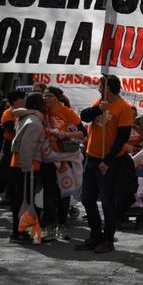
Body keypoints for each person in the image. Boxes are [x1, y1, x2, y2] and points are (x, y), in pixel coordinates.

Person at [76, 75, 134, 253]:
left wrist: (107, 161)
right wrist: (97, 110)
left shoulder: (124, 108)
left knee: (108, 202)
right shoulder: (100, 102)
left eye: (101, 86)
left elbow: (123, 137)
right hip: (91, 157)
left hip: (108, 161)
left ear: (108, 88)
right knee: (87, 198)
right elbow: (84, 116)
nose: (99, 89)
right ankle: (95, 234)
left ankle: (108, 239)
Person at [40, 86, 86, 241]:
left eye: (50, 96)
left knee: (64, 193)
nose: (46, 98)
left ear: (58, 98)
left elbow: (83, 133)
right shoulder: (41, 111)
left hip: (65, 158)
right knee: (49, 193)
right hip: (47, 158)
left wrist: (64, 134)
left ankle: (62, 225)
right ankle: (49, 228)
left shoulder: (67, 111)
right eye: (45, 96)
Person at [8, 93, 47, 243]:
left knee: (21, 198)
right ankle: (18, 231)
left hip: (20, 164)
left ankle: (19, 230)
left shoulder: (26, 118)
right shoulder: (34, 122)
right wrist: (26, 167)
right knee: (24, 199)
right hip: (27, 166)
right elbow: (27, 146)